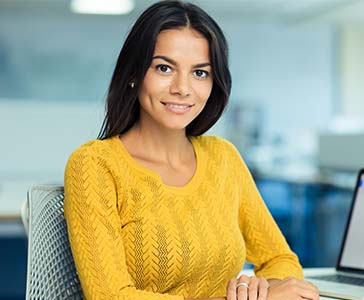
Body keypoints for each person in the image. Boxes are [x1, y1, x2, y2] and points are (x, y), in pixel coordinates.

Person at [64, 1, 319, 300]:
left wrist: (262, 290)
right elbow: (110, 296)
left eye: (200, 73)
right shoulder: (95, 165)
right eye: (164, 68)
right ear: (134, 73)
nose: (182, 88)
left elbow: (280, 260)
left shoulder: (223, 158)